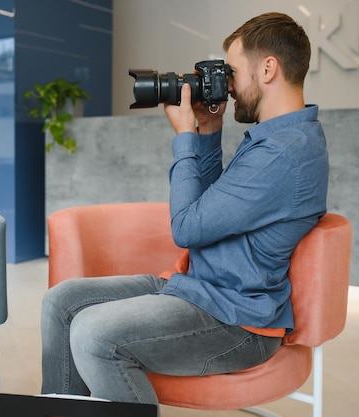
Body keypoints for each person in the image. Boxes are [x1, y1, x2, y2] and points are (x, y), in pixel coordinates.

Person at [40, 11, 328, 412]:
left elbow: (188, 227)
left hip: (237, 321)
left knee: (93, 334)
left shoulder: (284, 154)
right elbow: (209, 211)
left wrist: (184, 137)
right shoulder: (274, 139)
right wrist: (207, 134)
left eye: (233, 71)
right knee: (62, 302)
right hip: (200, 290)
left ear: (267, 69)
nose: (226, 85)